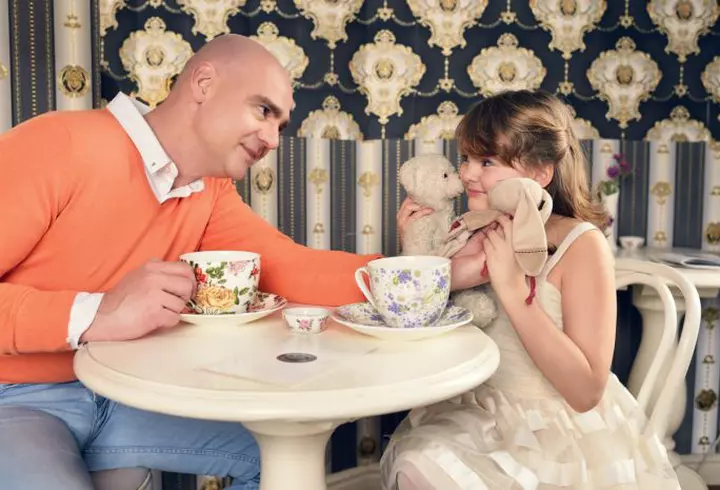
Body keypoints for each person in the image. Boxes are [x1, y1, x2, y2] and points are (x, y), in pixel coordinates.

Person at [0, 34, 400, 489]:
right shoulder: (58, 143)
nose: (273, 140)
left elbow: (289, 268)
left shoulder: (208, 191)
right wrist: (98, 313)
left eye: (281, 125)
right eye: (263, 111)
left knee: (280, 457)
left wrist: (428, 272)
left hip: (112, 392)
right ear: (204, 83)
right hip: (14, 397)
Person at [385, 90, 681, 489]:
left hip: (551, 432)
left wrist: (513, 291)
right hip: (474, 411)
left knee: (429, 466)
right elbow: (422, 319)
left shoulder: (581, 245)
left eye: (487, 162)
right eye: (466, 158)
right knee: (419, 460)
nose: (467, 174)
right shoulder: (474, 230)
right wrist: (414, 251)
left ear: (541, 173)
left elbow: (585, 391)